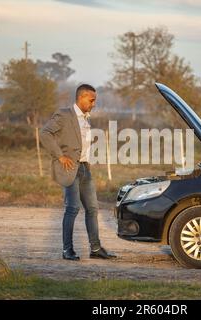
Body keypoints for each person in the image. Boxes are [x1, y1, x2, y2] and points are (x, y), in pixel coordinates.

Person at [40, 84, 117, 261]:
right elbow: (45, 133)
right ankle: (67, 250)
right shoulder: (65, 114)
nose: (94, 103)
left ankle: (96, 249)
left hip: (84, 168)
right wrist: (60, 156)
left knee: (92, 208)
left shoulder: (86, 119)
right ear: (81, 97)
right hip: (69, 169)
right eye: (92, 100)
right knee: (72, 208)